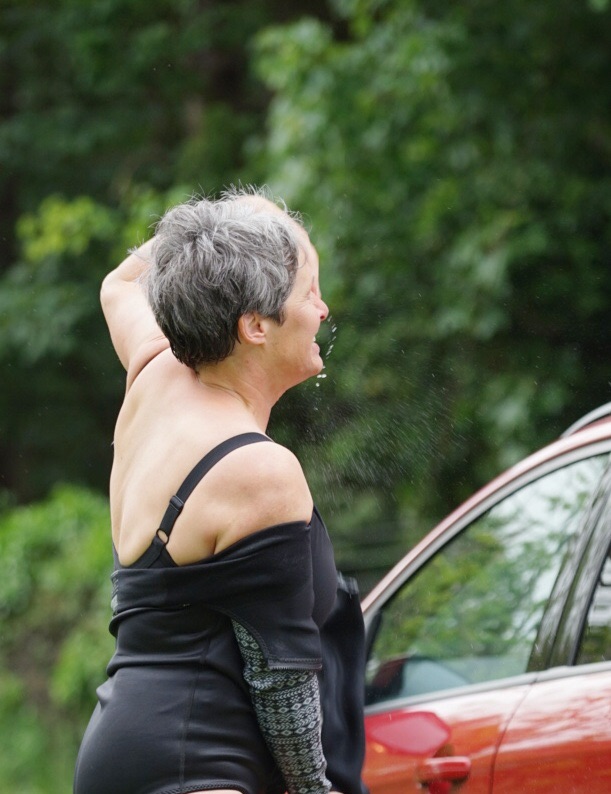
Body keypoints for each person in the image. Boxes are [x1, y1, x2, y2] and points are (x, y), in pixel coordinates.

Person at [73, 187, 368, 794]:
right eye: (308, 292)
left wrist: (238, 227)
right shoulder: (258, 471)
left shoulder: (155, 375)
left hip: (122, 750)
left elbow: (120, 285)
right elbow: (281, 682)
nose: (323, 309)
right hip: (200, 769)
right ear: (255, 325)